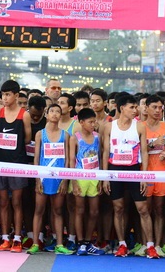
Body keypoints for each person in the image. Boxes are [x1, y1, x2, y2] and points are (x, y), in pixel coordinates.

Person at [102, 93, 158, 258]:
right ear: (122, 108)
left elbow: (144, 152)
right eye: (132, 107)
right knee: (118, 208)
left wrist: (143, 176)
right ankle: (122, 244)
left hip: (134, 170)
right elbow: (105, 152)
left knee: (143, 209)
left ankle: (150, 246)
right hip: (114, 170)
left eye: (136, 107)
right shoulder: (109, 127)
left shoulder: (139, 126)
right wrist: (105, 177)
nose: (135, 110)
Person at [27, 104, 73, 255]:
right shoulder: (40, 134)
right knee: (39, 210)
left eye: (57, 111)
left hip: (59, 177)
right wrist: (37, 179)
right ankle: (35, 243)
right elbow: (36, 158)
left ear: (61, 115)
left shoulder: (65, 135)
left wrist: (65, 180)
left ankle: (59, 244)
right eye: (51, 111)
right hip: (43, 177)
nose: (54, 114)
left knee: (58, 210)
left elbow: (67, 159)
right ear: (46, 114)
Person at [0, 80, 31, 253]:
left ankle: (17, 238)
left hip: (17, 162)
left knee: (16, 202)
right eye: (3, 95)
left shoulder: (24, 115)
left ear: (16, 95)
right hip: (1, 162)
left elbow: (27, 139)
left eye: (8, 95)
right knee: (2, 202)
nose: (5, 98)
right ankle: (5, 238)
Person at [69, 108, 103, 256]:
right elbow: (71, 160)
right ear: (81, 122)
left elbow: (100, 157)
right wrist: (74, 182)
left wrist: (101, 178)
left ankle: (88, 241)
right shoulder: (75, 138)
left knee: (94, 211)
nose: (93, 125)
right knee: (79, 210)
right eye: (90, 122)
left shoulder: (97, 137)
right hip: (80, 176)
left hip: (94, 176)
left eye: (94, 122)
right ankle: (81, 242)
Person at [143, 94, 165, 256]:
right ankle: (146, 243)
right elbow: (136, 150)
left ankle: (159, 244)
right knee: (145, 209)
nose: (158, 110)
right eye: (154, 107)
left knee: (160, 209)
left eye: (160, 108)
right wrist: (153, 144)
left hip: (162, 170)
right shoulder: (139, 127)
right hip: (145, 170)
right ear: (146, 108)